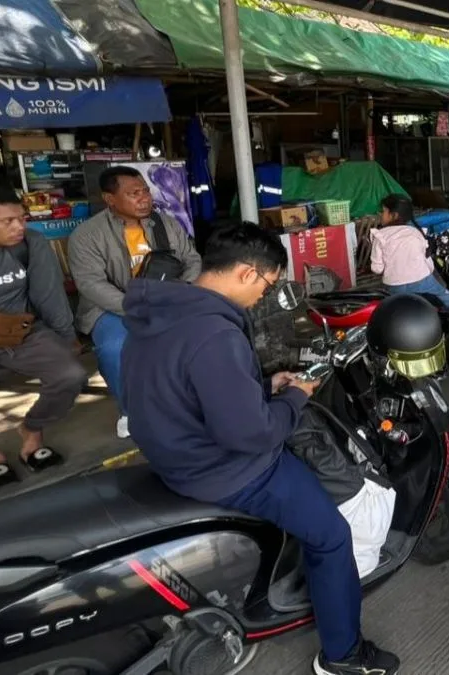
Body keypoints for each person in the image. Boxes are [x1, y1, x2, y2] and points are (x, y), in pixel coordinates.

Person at [121, 222, 401, 675]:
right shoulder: (215, 334)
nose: (264, 297)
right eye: (269, 285)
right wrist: (294, 397)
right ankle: (344, 656)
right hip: (224, 468)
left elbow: (186, 387)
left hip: (171, 450)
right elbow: (251, 436)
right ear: (249, 273)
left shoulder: (160, 312)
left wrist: (263, 385)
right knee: (331, 537)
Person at [68, 166, 200, 438]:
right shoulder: (87, 235)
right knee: (116, 347)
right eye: (133, 193)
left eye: (145, 191)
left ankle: (188, 402)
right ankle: (131, 411)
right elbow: (91, 284)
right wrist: (135, 307)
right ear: (110, 199)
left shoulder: (166, 223)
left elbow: (192, 259)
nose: (144, 198)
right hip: (112, 308)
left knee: (201, 335)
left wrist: (183, 292)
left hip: (167, 299)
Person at [0, 186, 87, 489]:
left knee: (70, 375)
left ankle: (32, 430)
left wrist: (67, 337)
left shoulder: (29, 243)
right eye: (7, 221)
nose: (20, 227)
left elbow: (48, 293)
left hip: (24, 330)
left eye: (22, 218)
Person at [369, 194, 449, 335]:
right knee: (446, 295)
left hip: (393, 285)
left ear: (394, 215)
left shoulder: (379, 236)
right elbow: (426, 257)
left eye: (383, 211)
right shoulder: (416, 232)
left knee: (392, 308)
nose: (381, 214)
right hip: (421, 279)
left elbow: (377, 268)